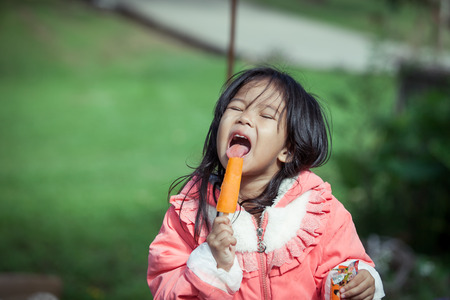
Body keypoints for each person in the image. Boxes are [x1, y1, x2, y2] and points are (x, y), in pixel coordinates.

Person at [147, 67, 385, 299]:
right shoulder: (189, 214)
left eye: (266, 115)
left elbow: (342, 266)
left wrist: (354, 283)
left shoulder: (319, 212)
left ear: (288, 150)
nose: (244, 118)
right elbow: (165, 287)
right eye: (236, 108)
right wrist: (212, 262)